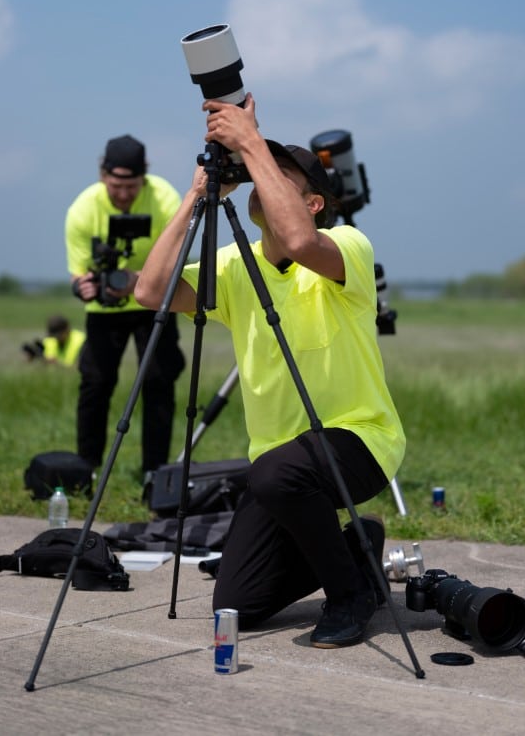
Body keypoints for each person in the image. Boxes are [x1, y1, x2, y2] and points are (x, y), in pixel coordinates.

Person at [135, 94, 405, 649]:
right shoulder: (237, 267)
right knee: (239, 605)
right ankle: (357, 547)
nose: (260, 178)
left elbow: (302, 242)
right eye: (259, 171)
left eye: (278, 175)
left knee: (277, 473)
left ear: (312, 202)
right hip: (277, 467)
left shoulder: (346, 247)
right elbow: (150, 291)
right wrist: (195, 196)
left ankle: (351, 595)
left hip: (360, 442)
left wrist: (252, 141)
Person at [65, 134, 185, 477]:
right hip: (105, 311)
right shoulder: (82, 210)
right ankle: (85, 468)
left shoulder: (165, 200)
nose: (123, 194)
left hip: (155, 302)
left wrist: (138, 280)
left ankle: (155, 472)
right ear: (103, 175)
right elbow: (78, 273)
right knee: (95, 383)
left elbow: (176, 258)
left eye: (131, 186)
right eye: (116, 185)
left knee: (159, 381)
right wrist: (82, 286)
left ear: (144, 176)